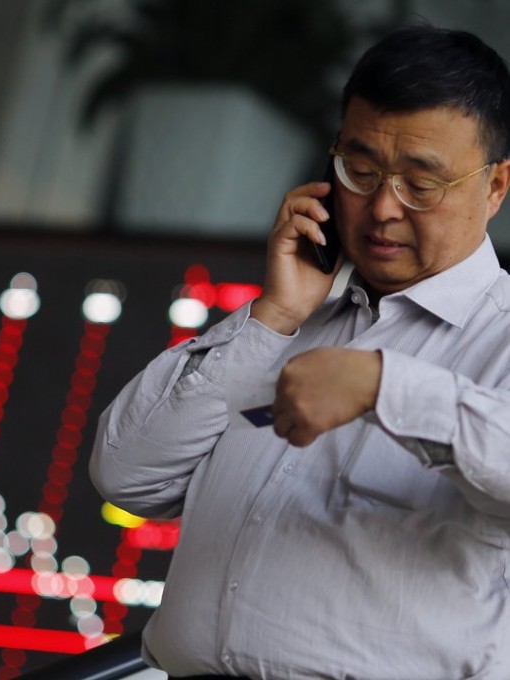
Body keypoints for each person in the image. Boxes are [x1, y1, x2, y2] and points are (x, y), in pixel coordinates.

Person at [89, 24, 510, 680]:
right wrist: (273, 317)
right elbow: (125, 475)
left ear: (495, 187)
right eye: (359, 170)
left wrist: (384, 388)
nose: (380, 210)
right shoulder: (291, 319)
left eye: (420, 185)